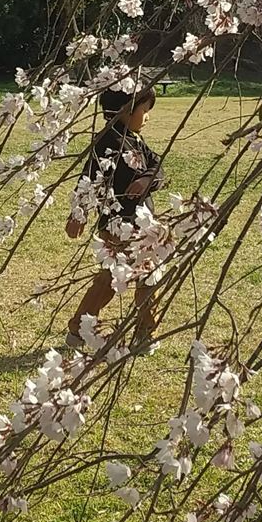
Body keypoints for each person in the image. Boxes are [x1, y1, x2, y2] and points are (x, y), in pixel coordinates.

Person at [65, 83, 163, 352]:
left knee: (148, 277)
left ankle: (145, 332)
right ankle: (79, 328)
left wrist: (146, 180)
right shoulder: (107, 142)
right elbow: (89, 179)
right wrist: (79, 213)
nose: (147, 116)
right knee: (109, 280)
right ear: (125, 110)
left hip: (144, 222)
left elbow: (158, 165)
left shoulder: (137, 141)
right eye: (144, 110)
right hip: (117, 224)